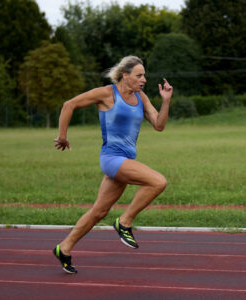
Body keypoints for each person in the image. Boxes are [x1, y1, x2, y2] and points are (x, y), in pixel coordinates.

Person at [53, 55, 173, 274]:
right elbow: (69, 105)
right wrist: (62, 136)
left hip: (126, 161)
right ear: (125, 75)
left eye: (144, 75)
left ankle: (65, 247)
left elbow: (159, 125)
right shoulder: (107, 93)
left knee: (99, 211)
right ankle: (124, 222)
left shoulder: (141, 97)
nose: (143, 79)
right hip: (111, 158)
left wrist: (165, 101)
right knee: (158, 182)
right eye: (139, 75)